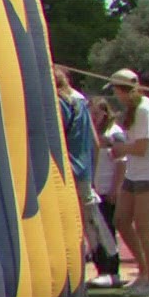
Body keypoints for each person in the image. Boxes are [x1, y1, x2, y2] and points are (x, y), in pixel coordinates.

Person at [107, 69, 149, 297]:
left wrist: (121, 149)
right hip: (135, 173)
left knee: (144, 226)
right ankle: (144, 272)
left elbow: (142, 147)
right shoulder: (135, 109)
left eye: (115, 90)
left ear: (121, 89)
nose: (115, 95)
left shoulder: (145, 109)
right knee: (122, 220)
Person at [56, 67, 118, 284]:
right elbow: (94, 141)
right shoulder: (81, 102)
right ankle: (105, 268)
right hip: (82, 169)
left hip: (67, 170)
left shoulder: (62, 103)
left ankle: (86, 272)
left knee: (75, 224)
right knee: (90, 221)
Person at [87, 96, 127, 288]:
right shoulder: (90, 132)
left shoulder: (115, 133)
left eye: (97, 113)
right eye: (91, 113)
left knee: (108, 231)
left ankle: (112, 270)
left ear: (105, 113)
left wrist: (115, 188)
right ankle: (101, 269)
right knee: (95, 232)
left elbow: (122, 162)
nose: (94, 117)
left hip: (106, 188)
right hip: (94, 188)